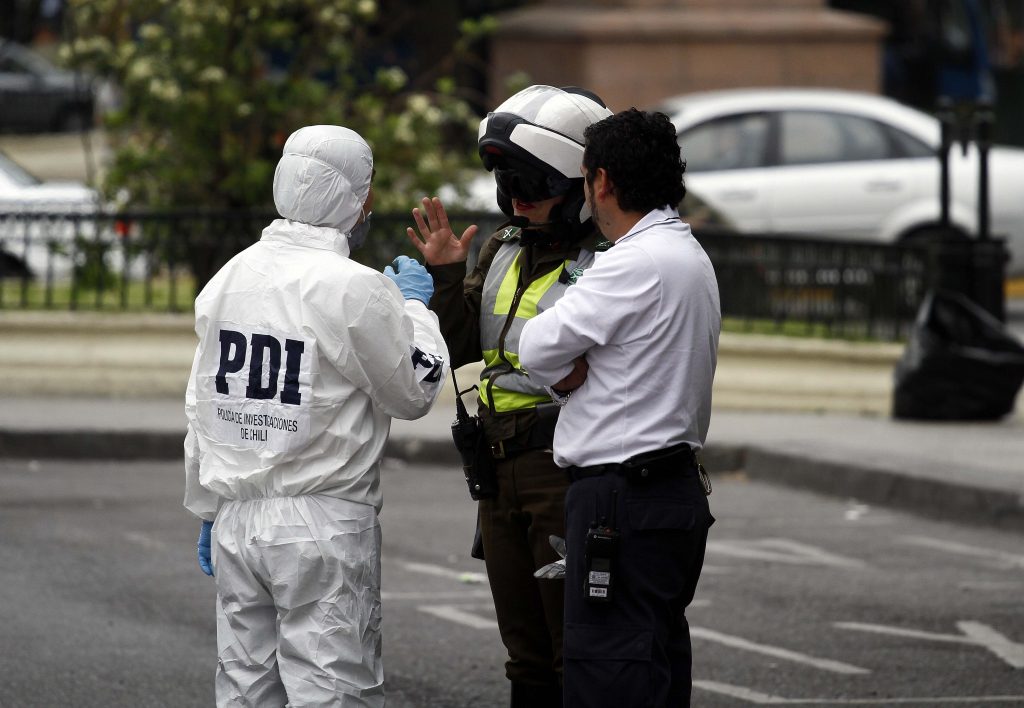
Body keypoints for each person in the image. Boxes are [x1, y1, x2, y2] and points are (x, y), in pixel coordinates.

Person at [183, 125, 449, 707]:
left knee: (246, 688)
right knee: (333, 690)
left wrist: (207, 507)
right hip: (323, 525)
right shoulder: (353, 288)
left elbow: (202, 404)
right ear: (359, 198)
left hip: (236, 519)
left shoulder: (228, 279)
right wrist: (414, 310)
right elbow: (412, 391)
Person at [405, 85, 612, 707]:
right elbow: (466, 352)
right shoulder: (503, 248)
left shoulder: (608, 261)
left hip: (562, 469)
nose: (519, 199)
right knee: (524, 657)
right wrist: (445, 277)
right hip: (496, 471)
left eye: (534, 186)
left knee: (573, 649)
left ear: (583, 186)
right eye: (509, 185)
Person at [518, 108, 721, 708]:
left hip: (622, 499)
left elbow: (534, 345)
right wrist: (576, 373)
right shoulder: (685, 253)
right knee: (652, 670)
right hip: (666, 489)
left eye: (583, 180)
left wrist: (569, 373)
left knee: (609, 675)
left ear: (602, 181)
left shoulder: (634, 261)